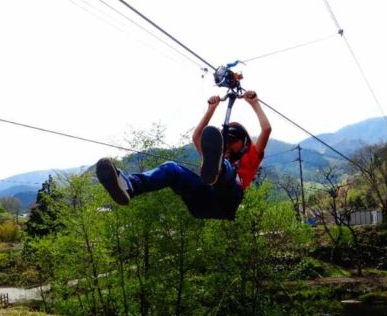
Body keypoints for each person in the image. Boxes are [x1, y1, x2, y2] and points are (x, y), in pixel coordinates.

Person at [95, 90, 272, 220]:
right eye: (225, 142)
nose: (228, 145)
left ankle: (218, 172)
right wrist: (211, 108)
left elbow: (266, 129)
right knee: (172, 169)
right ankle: (129, 186)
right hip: (202, 201)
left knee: (224, 167)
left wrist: (254, 103)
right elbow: (197, 136)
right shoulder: (215, 155)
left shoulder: (250, 158)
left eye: (233, 141)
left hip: (226, 203)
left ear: (244, 142)